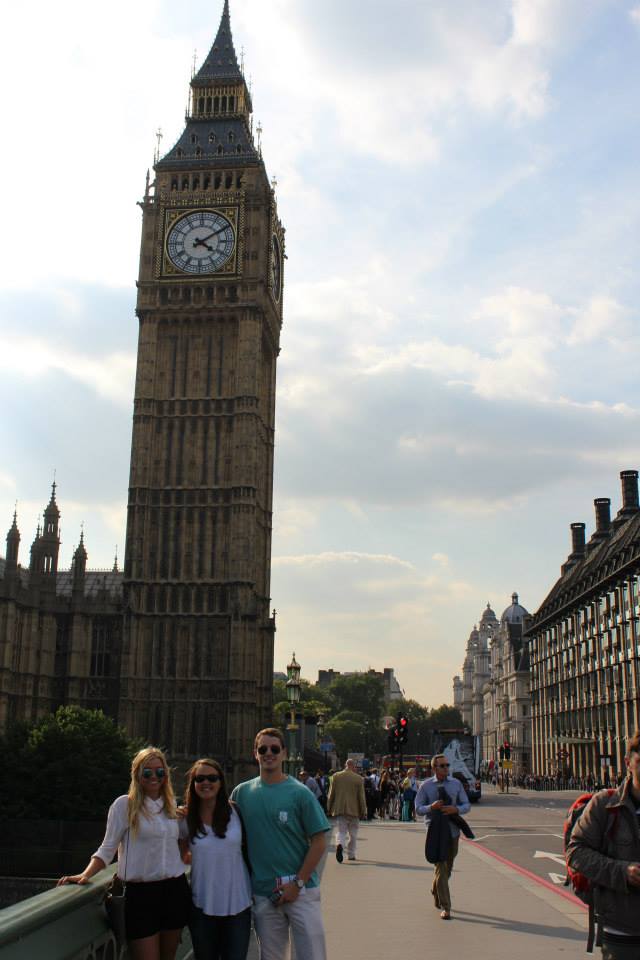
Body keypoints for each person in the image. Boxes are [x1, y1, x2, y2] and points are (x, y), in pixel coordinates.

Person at [58, 746, 190, 960]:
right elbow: (107, 847)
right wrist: (85, 874)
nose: (154, 777)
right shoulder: (124, 805)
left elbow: (188, 838)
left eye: (160, 772)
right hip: (140, 895)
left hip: (174, 890)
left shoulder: (171, 806)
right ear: (137, 774)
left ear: (166, 775)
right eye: (147, 772)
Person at [231, 727, 330, 960]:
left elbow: (319, 841)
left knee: (311, 956)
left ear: (284, 753)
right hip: (265, 893)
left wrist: (297, 883)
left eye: (274, 749)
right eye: (262, 749)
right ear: (255, 753)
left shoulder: (299, 793)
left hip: (301, 890)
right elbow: (221, 829)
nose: (269, 753)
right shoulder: (241, 793)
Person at [567, 731, 640, 959]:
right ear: (628, 763)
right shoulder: (604, 805)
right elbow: (575, 852)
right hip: (622, 932)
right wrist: (623, 871)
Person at [181, 758, 252, 960]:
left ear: (221, 781)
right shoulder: (186, 818)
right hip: (202, 905)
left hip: (238, 904)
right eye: (200, 778)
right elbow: (179, 856)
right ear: (193, 783)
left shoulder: (237, 812)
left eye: (212, 778)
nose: (206, 783)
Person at [414, 753, 470, 920]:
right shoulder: (426, 786)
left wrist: (456, 809)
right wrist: (431, 807)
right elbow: (418, 808)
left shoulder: (456, 784)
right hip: (435, 832)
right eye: (442, 766)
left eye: (447, 765)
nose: (446, 768)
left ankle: (436, 888)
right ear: (434, 768)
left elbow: (466, 804)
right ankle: (446, 907)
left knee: (447, 868)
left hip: (452, 831)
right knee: (441, 867)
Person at [326, 759, 367, 861]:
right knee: (353, 834)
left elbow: (331, 794)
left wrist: (329, 807)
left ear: (345, 765)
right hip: (354, 810)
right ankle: (351, 854)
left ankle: (340, 844)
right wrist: (364, 811)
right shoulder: (359, 779)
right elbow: (361, 797)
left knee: (341, 831)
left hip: (340, 809)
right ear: (353, 766)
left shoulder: (336, 776)